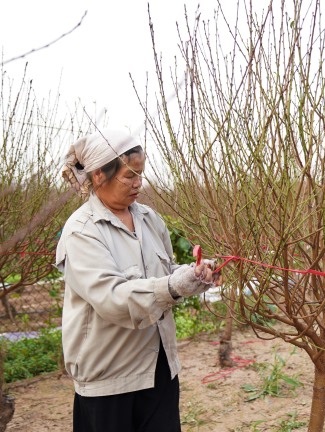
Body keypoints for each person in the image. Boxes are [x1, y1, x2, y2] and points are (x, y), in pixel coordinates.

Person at [56, 129, 220, 432]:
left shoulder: (149, 219)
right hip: (110, 377)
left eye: (140, 174)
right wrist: (173, 286)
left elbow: (167, 275)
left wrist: (195, 276)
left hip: (158, 369)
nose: (138, 183)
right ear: (98, 177)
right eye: (129, 175)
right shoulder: (82, 231)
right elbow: (113, 299)